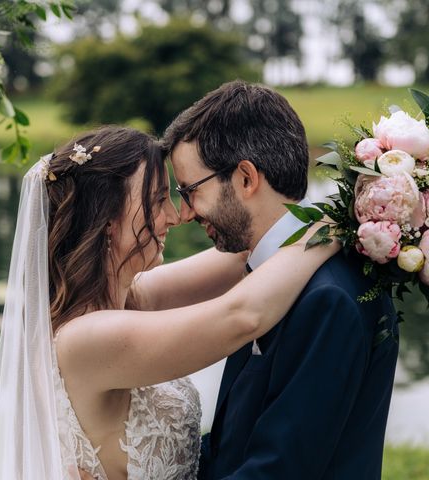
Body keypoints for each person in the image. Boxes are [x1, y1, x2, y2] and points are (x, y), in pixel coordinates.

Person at [0, 125, 339, 480]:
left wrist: (364, 198)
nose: (175, 215)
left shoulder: (132, 297)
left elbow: (251, 247)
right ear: (108, 220)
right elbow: (243, 316)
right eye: (157, 200)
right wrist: (334, 229)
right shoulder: (86, 338)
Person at [163, 80, 399, 479]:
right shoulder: (272, 274)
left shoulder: (329, 298)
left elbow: (279, 469)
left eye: (189, 191)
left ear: (245, 178)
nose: (185, 213)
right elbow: (234, 444)